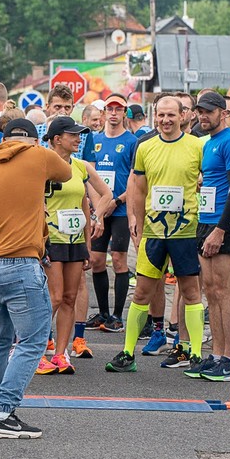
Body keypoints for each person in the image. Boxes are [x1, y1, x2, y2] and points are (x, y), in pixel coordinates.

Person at [0, 117, 72, 438]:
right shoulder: (38, 155)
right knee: (33, 341)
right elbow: (67, 172)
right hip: (19, 263)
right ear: (33, 139)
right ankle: (3, 412)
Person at [104, 95, 205, 374]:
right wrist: (134, 218)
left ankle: (195, 354)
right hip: (153, 231)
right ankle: (127, 353)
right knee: (143, 292)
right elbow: (137, 185)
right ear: (154, 115)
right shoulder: (145, 147)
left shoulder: (197, 146)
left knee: (191, 291)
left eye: (171, 115)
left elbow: (207, 181)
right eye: (161, 115)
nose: (165, 120)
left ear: (183, 115)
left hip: (185, 230)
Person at [41, 115, 112, 375]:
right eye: (73, 134)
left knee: (70, 298)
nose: (78, 138)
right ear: (57, 139)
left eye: (79, 134)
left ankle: (60, 354)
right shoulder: (43, 163)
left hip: (75, 240)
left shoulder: (80, 166)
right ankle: (34, 351)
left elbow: (103, 195)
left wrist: (93, 223)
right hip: (51, 239)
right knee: (54, 297)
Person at [187, 91, 230, 381]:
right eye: (199, 111)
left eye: (208, 112)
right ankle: (216, 354)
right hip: (205, 221)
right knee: (210, 291)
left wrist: (220, 229)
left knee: (225, 291)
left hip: (226, 225)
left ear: (224, 113)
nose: (203, 116)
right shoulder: (209, 143)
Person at [85, 93, 138, 333]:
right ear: (104, 112)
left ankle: (117, 315)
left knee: (118, 259)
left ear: (125, 113)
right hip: (99, 208)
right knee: (96, 260)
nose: (114, 113)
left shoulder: (132, 141)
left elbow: (135, 180)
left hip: (120, 208)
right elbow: (89, 175)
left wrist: (117, 200)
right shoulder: (93, 139)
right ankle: (103, 312)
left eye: (119, 109)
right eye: (110, 109)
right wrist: (97, 207)